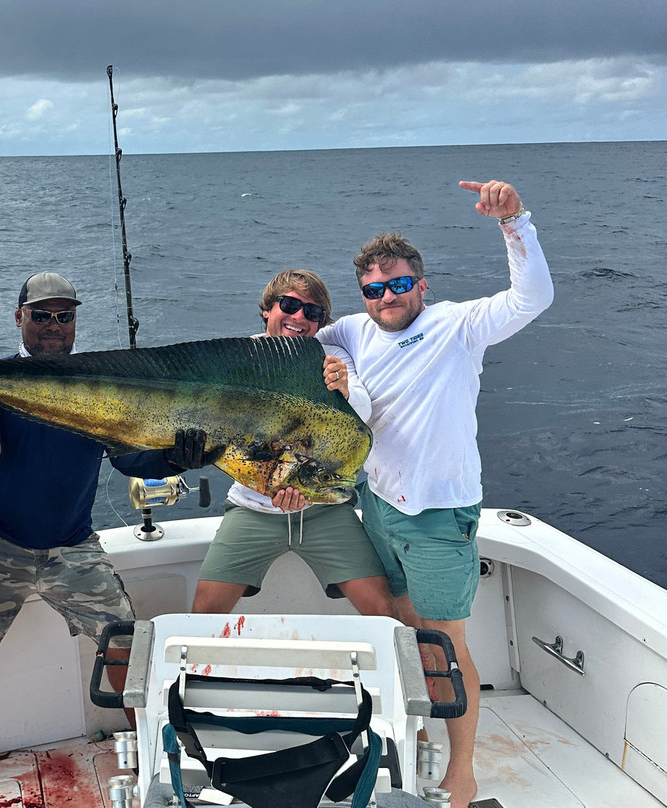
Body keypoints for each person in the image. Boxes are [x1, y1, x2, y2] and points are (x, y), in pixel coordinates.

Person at [316, 180, 554, 808]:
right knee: (403, 630)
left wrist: (515, 223)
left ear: (421, 284)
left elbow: (533, 297)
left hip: (438, 515)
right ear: (361, 293)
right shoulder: (350, 333)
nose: (387, 298)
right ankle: (407, 737)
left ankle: (463, 771)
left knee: (446, 645)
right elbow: (286, 348)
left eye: (398, 285)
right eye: (374, 289)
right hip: (378, 508)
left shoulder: (458, 325)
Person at [0, 272, 208, 730]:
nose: (53, 325)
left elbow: (130, 460)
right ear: (19, 318)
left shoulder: (99, 385)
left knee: (125, 647)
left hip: (72, 547)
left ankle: (153, 759)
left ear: (74, 322)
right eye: (41, 316)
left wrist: (177, 460)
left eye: (64, 316)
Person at [190, 269, 395, 619]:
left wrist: (343, 389)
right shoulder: (239, 359)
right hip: (252, 509)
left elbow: (362, 408)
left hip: (325, 511)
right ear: (267, 309)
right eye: (290, 305)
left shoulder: (331, 359)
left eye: (312, 313)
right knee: (204, 612)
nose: (299, 317)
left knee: (384, 610)